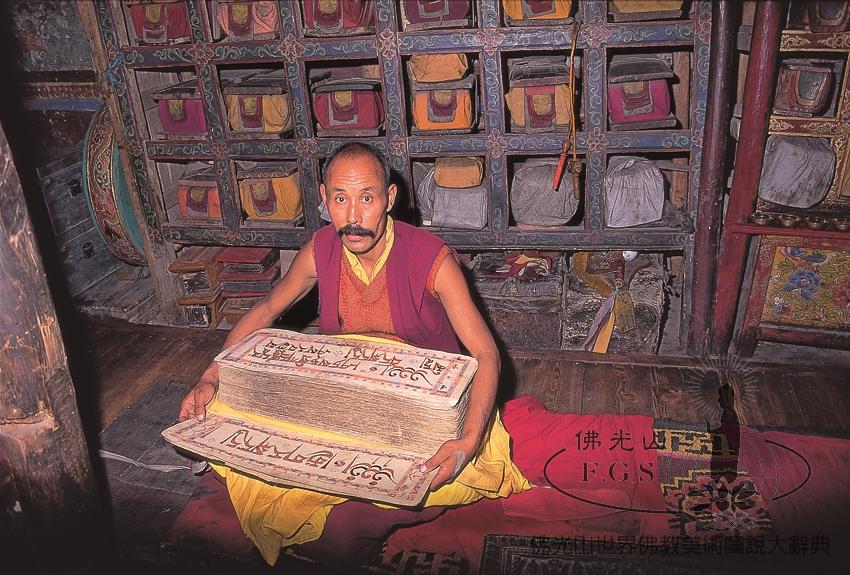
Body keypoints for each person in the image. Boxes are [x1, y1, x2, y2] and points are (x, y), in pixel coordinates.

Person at [177, 142, 526, 566]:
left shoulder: (430, 259)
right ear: (324, 200)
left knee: (452, 464)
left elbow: (486, 354)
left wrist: (467, 441)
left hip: (416, 403)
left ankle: (346, 514)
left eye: (367, 198)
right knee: (232, 405)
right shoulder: (321, 248)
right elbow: (266, 310)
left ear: (389, 200)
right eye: (340, 199)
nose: (354, 217)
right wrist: (211, 375)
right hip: (340, 391)